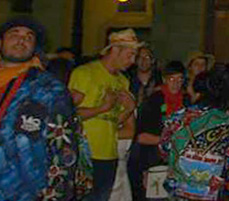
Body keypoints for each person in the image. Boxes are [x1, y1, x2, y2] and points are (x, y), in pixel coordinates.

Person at [0, 16, 86, 201]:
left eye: (29, 37)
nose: (21, 40)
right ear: (1, 42)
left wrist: (57, 193)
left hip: (25, 190)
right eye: (14, 34)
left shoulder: (49, 89)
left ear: (35, 47)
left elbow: (64, 146)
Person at [70, 28, 140, 201]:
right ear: (115, 50)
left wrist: (129, 109)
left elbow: (112, 122)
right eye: (129, 55)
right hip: (84, 155)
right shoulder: (85, 73)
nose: (132, 61)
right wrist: (101, 107)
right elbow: (67, 117)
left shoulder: (122, 80)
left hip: (110, 155)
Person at [160, 67, 229, 200]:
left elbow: (164, 147)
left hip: (180, 188)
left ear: (198, 91)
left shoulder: (180, 117)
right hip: (209, 191)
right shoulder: (226, 120)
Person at [128, 61, 187, 201]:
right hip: (153, 161)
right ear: (164, 79)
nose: (176, 83)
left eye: (179, 79)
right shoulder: (154, 100)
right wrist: (168, 141)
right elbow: (140, 136)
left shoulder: (187, 100)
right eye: (172, 79)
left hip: (178, 164)